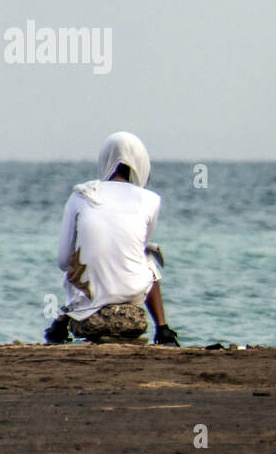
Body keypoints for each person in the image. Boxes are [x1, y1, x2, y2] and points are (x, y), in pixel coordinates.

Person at [44, 132, 179, 346]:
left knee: (81, 262)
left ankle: (61, 323)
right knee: (147, 255)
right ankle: (163, 330)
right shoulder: (151, 200)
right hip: (131, 295)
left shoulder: (82, 195)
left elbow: (63, 262)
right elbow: (136, 248)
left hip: (87, 300)